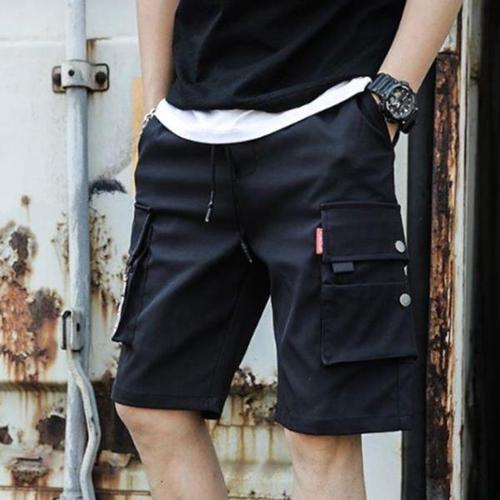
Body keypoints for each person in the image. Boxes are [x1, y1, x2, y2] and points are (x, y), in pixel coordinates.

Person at [110, 1, 463, 498]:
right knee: (151, 404)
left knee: (321, 432)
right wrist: (155, 111)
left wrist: (387, 101)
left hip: (328, 125)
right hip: (189, 133)